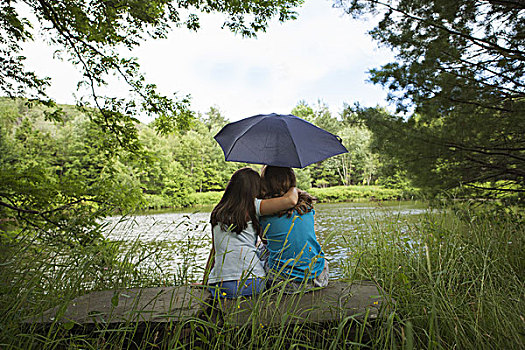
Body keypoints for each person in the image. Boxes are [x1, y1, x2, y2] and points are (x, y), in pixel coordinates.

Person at [203, 167, 298, 299]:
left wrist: (204, 281)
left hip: (220, 285)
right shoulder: (254, 206)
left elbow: (214, 252)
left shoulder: (217, 212)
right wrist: (293, 187)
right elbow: (291, 201)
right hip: (253, 283)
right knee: (266, 250)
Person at [259, 165, 328, 293]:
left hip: (282, 283)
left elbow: (265, 241)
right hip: (318, 278)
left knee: (261, 250)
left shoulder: (263, 211)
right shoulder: (307, 206)